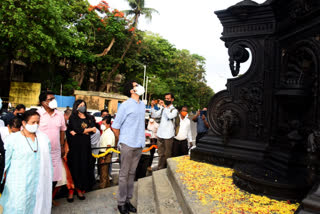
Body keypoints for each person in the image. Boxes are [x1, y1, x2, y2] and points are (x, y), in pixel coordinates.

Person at [0, 110, 52, 214]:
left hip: (39, 183)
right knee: (18, 208)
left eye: (38, 122)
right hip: (18, 185)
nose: (36, 125)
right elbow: (4, 163)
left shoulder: (44, 139)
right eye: (33, 122)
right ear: (24, 123)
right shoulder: (12, 139)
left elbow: (48, 164)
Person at [112, 80, 145, 214]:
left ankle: (127, 200)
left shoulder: (142, 105)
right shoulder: (125, 105)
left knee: (132, 174)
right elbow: (115, 126)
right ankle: (121, 203)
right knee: (124, 174)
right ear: (132, 91)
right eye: (136, 85)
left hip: (139, 144)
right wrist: (122, 141)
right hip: (127, 144)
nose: (139, 86)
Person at [37, 91, 66, 200]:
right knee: (41, 176)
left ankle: (49, 199)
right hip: (41, 152)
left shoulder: (60, 114)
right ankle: (41, 200)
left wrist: (62, 145)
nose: (54, 101)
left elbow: (62, 131)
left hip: (55, 151)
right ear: (43, 102)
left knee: (54, 176)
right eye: (50, 99)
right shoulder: (37, 114)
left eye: (54, 98)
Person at [67, 100, 96, 200]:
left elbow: (94, 129)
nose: (82, 107)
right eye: (80, 105)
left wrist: (84, 131)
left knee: (84, 167)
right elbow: (77, 129)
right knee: (74, 168)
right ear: (76, 107)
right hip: (75, 147)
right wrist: (87, 130)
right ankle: (71, 191)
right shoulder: (73, 117)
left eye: (84, 105)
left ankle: (80, 190)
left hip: (86, 146)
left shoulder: (89, 117)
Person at [151, 93, 178, 169]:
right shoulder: (163, 109)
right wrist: (152, 106)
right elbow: (154, 115)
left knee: (167, 154)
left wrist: (164, 107)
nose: (166, 100)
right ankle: (160, 168)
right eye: (165, 99)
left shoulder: (174, 110)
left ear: (172, 99)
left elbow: (170, 116)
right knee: (160, 154)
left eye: (168, 99)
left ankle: (167, 170)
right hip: (160, 134)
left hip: (168, 135)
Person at [98, 115, 115, 188]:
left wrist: (104, 158)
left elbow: (108, 147)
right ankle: (106, 186)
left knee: (103, 173)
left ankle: (103, 188)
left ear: (108, 125)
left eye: (104, 124)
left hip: (105, 154)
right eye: (102, 123)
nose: (102, 125)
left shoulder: (109, 133)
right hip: (102, 154)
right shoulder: (105, 132)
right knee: (104, 172)